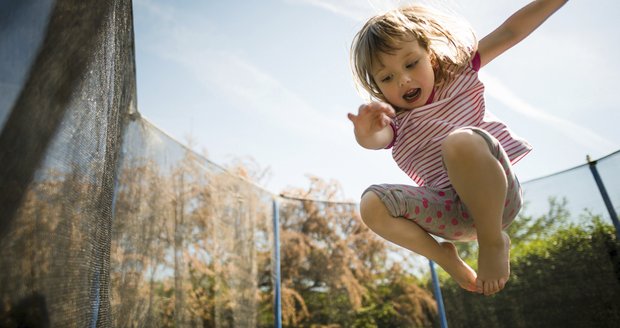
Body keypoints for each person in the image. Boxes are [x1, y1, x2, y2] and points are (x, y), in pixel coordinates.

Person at [347, 0, 568, 296]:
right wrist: (365, 133)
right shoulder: (394, 120)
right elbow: (377, 140)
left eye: (411, 63)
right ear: (377, 86)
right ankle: (444, 257)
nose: (404, 79)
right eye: (387, 78)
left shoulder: (458, 75)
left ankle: (493, 241)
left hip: (497, 199)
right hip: (450, 214)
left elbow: (510, 32)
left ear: (432, 58)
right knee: (371, 204)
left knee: (459, 141)